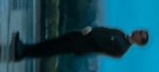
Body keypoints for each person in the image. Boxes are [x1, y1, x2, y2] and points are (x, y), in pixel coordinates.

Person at [13, 26, 148, 61]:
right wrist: (90, 30)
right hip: (81, 36)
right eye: (140, 31)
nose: (137, 31)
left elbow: (100, 45)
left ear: (139, 42)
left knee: (52, 49)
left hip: (81, 44)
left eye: (140, 34)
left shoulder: (121, 48)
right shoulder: (121, 34)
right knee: (51, 43)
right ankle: (25, 48)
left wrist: (90, 33)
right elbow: (103, 30)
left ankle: (24, 52)